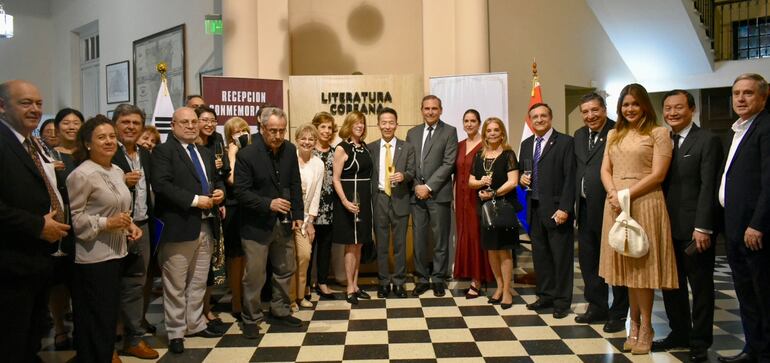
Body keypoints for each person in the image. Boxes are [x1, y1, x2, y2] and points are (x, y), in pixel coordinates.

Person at [599, 83, 678, 355]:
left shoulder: (658, 133)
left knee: (642, 271)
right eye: (625, 104)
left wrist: (625, 195)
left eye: (634, 103)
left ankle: (646, 327)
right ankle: (632, 324)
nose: (630, 109)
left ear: (645, 105)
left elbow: (658, 175)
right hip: (616, 204)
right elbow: (605, 170)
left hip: (644, 202)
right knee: (628, 273)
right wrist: (613, 193)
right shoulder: (613, 134)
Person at [0, 80, 70, 363]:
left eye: (39, 103)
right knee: (11, 338)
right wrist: (37, 225)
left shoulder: (33, 143)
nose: (35, 109)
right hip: (11, 260)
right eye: (25, 103)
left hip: (38, 259)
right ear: (2, 106)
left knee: (31, 335)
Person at [67, 115, 143, 363]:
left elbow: (118, 207)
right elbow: (75, 220)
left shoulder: (117, 170)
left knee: (108, 318)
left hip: (116, 253)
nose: (109, 141)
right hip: (93, 258)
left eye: (112, 136)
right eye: (102, 137)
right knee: (95, 322)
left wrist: (129, 224)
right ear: (88, 143)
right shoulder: (82, 175)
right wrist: (106, 224)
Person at [654, 90, 723, 362]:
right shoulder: (661, 140)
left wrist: (704, 227)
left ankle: (700, 341)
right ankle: (679, 332)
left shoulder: (707, 140)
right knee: (671, 285)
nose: (672, 113)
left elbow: (709, 186)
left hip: (695, 229)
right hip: (665, 225)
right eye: (668, 108)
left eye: (678, 107)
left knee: (701, 286)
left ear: (691, 109)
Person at [151, 107, 226, 354]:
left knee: (198, 282)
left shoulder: (203, 152)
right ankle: (175, 332)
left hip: (205, 224)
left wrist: (219, 192)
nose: (191, 126)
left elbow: (214, 180)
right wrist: (195, 200)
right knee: (175, 283)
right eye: (185, 122)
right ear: (173, 125)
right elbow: (161, 185)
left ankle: (194, 323)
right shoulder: (164, 151)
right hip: (179, 225)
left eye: (195, 122)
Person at [235, 107, 304, 339]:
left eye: (281, 131)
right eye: (272, 130)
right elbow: (241, 193)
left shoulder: (290, 150)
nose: (277, 135)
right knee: (254, 275)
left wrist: (298, 215)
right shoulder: (247, 154)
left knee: (285, 269)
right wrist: (268, 204)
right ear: (262, 128)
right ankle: (251, 318)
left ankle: (280, 310)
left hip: (284, 223)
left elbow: (295, 184)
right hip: (256, 225)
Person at [716, 73, 770, 363]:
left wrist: (758, 223)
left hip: (755, 230)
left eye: (748, 93)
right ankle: (753, 349)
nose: (740, 98)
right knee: (745, 293)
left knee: (762, 294)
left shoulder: (766, 127)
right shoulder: (735, 130)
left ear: (763, 97)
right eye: (737, 93)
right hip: (734, 227)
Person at [573, 93, 628, 332]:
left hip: (610, 209)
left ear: (604, 109)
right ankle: (597, 307)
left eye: (594, 110)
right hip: (584, 209)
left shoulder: (618, 132)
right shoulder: (579, 135)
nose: (590, 116)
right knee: (589, 261)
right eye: (585, 112)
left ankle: (618, 313)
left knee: (615, 263)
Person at [110, 104, 159, 359]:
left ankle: (133, 339)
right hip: (113, 229)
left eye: (136, 123)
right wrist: (121, 181)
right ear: (115, 124)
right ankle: (108, 343)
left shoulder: (145, 154)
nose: (130, 127)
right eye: (125, 122)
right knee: (109, 286)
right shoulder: (107, 151)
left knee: (136, 284)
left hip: (142, 225)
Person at [519, 103, 576, 319]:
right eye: (535, 117)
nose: (539, 120)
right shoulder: (526, 144)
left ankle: (562, 302)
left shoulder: (564, 142)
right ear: (530, 120)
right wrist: (523, 181)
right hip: (533, 210)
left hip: (556, 211)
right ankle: (545, 296)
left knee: (561, 258)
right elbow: (524, 172)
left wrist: (565, 208)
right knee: (541, 257)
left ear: (550, 118)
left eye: (543, 116)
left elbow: (571, 177)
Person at [405, 95, 458, 297]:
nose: (430, 112)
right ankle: (421, 278)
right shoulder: (413, 133)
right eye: (426, 108)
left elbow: (448, 163)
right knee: (418, 239)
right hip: (416, 194)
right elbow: (409, 163)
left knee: (440, 239)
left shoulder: (449, 132)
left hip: (438, 195)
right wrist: (418, 185)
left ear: (441, 110)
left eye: (434, 108)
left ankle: (438, 278)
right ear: (421, 110)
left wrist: (428, 186)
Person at [468, 117, 520, 309]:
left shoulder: (508, 154)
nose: (492, 133)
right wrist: (482, 184)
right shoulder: (479, 155)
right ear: (485, 134)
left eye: (496, 130)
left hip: (504, 208)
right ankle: (498, 287)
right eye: (489, 130)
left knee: (504, 250)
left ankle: (507, 291)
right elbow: (471, 181)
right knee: (491, 249)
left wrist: (494, 193)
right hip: (485, 209)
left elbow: (513, 181)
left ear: (502, 133)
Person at [368, 107, 415, 299]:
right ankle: (383, 282)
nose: (387, 126)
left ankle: (399, 283)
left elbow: (413, 171)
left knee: (399, 244)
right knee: (381, 244)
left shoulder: (407, 147)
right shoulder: (370, 147)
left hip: (400, 198)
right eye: (384, 122)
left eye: (391, 122)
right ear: (378, 125)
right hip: (379, 198)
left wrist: (404, 175)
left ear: (397, 124)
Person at [332, 111, 374, 304]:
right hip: (349, 201)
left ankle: (356, 285)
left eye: (363, 123)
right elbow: (336, 179)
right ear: (349, 125)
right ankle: (349, 287)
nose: (360, 126)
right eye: (357, 123)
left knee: (359, 244)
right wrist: (344, 201)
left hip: (364, 200)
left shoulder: (364, 147)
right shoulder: (342, 148)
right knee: (351, 244)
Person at [194, 105, 229, 330]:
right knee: (196, 269)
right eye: (203, 119)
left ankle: (206, 308)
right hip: (193, 213)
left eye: (212, 120)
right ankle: (197, 313)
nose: (208, 123)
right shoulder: (187, 148)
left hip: (214, 211)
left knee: (209, 265)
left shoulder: (217, 142)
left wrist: (222, 194)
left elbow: (222, 174)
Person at [454, 109, 494, 299]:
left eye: (473, 121)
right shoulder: (459, 145)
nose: (469, 124)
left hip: (477, 198)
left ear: (479, 124)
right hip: (461, 198)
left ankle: (478, 279)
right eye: (466, 121)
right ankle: (471, 273)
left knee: (477, 237)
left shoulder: (485, 146)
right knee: (464, 236)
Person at [291, 124, 324, 309]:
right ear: (296, 140)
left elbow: (316, 194)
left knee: (304, 256)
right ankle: (289, 298)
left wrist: (310, 221)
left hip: (304, 218)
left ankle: (301, 295)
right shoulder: (289, 159)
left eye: (311, 139)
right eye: (303, 138)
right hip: (287, 215)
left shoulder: (318, 163)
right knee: (287, 260)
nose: (307, 142)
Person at [222, 116, 251, 321]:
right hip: (233, 209)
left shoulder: (253, 152)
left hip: (251, 207)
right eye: (235, 131)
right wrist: (232, 154)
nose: (240, 134)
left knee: (251, 256)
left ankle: (248, 298)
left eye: (244, 129)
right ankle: (236, 301)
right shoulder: (225, 154)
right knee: (236, 256)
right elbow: (232, 180)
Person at [310, 111, 338, 299]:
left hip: (331, 208)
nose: (327, 131)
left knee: (325, 248)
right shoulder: (308, 151)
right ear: (316, 128)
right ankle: (304, 285)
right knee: (308, 249)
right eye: (323, 127)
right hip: (310, 209)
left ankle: (322, 282)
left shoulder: (337, 152)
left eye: (329, 127)